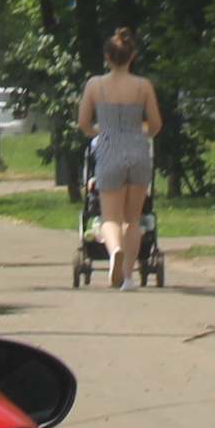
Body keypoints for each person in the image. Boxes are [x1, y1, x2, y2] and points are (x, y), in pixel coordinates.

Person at [72, 28, 161, 292]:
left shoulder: (94, 85)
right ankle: (129, 278)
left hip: (109, 149)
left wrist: (101, 132)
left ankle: (115, 253)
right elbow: (155, 125)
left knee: (109, 217)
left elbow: (84, 124)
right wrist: (139, 132)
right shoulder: (143, 86)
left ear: (106, 57)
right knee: (132, 219)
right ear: (132, 55)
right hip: (137, 150)